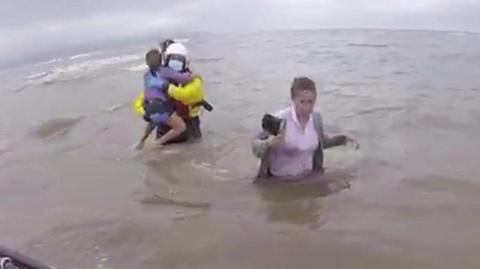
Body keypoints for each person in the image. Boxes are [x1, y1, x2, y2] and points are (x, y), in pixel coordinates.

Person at [252, 76, 359, 181]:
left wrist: (344, 139)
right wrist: (268, 143)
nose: (306, 107)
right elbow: (255, 145)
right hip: (280, 182)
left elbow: (322, 142)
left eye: (310, 102)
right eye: (302, 102)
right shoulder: (279, 119)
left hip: (308, 178)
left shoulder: (316, 118)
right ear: (293, 100)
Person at [134, 48, 187, 150]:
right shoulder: (164, 71)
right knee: (180, 127)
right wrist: (194, 76)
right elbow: (182, 78)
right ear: (161, 60)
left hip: (149, 106)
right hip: (161, 106)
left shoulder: (146, 75)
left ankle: (141, 142)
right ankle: (159, 143)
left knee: (154, 120)